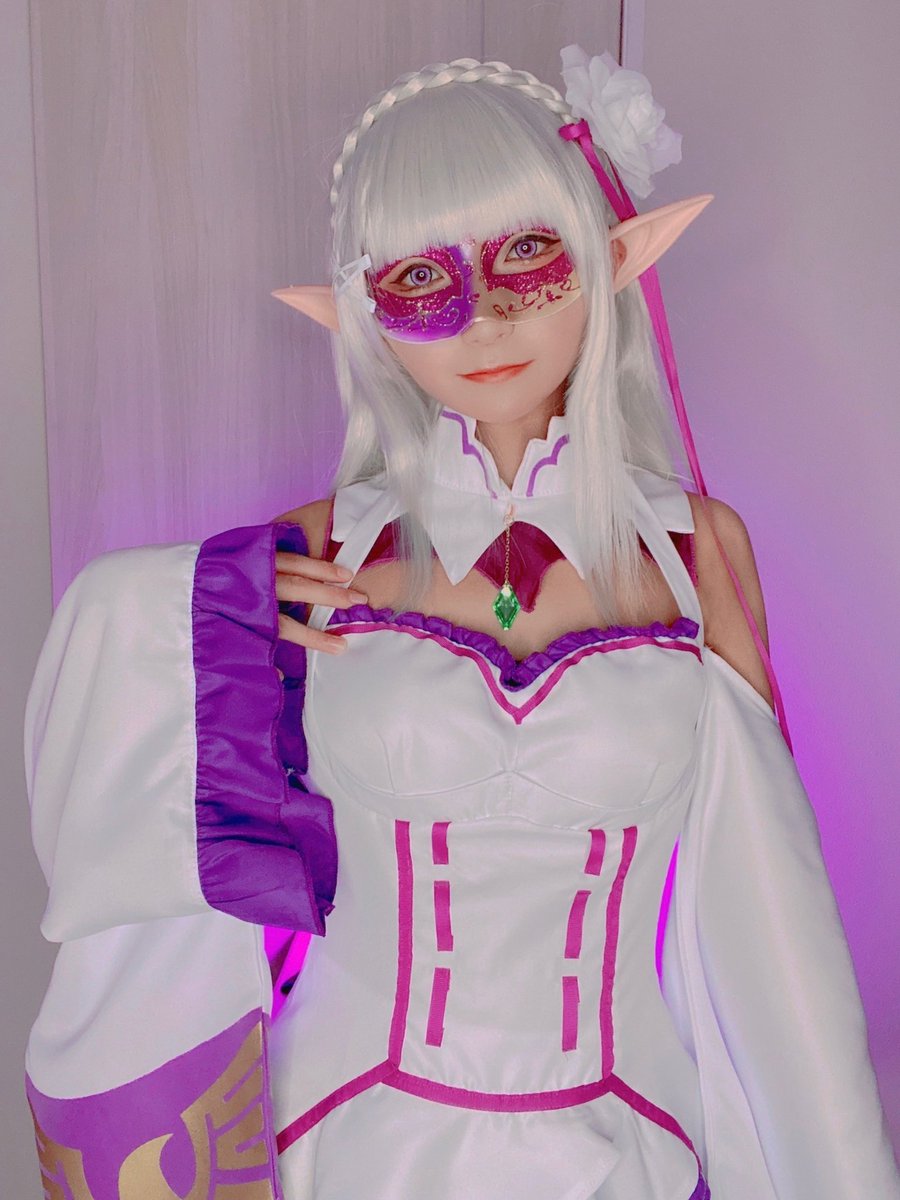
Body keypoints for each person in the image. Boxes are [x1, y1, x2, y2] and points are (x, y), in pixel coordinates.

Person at [23, 50, 899, 1200]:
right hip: (343, 1141)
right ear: (362, 317)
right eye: (420, 280)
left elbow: (771, 906)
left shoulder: (699, 556)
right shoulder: (302, 560)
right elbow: (121, 799)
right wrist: (198, 619)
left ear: (609, 256)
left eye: (528, 255)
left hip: (624, 1143)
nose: (484, 318)